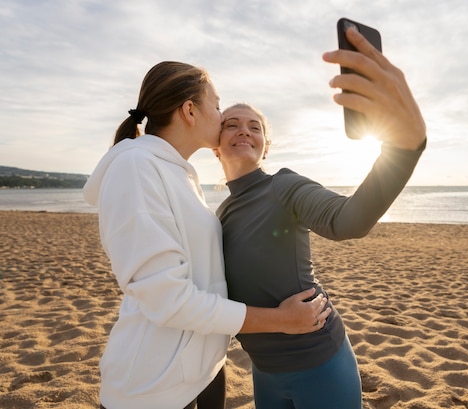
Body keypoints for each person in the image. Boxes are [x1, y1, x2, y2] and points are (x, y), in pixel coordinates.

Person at [83, 61, 331, 409]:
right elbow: (168, 298)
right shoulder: (136, 168)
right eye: (216, 105)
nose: (220, 114)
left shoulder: (180, 174)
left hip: (203, 372)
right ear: (189, 110)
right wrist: (279, 320)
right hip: (155, 387)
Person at [212, 27, 427, 409]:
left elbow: (348, 220)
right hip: (263, 371)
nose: (244, 129)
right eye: (231, 123)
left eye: (255, 126)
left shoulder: (283, 186)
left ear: (265, 148)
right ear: (216, 145)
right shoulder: (219, 214)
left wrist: (404, 147)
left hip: (320, 363)